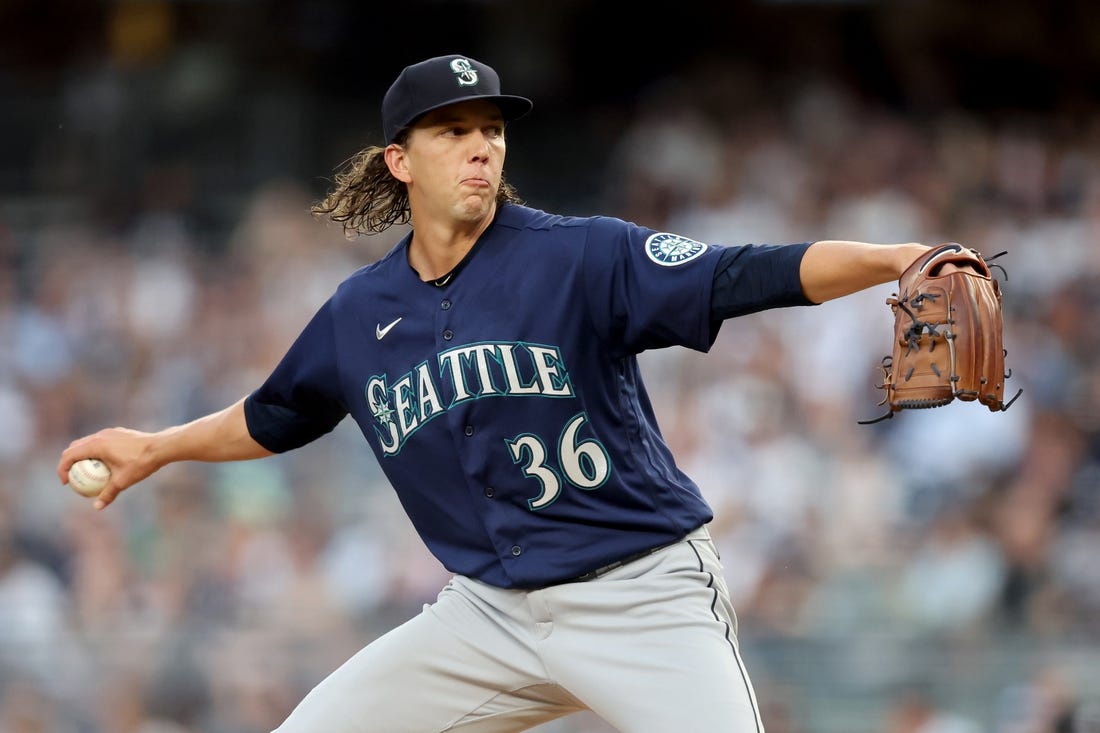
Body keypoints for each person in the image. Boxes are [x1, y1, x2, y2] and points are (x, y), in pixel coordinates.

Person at [59, 53, 934, 732]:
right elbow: (274, 416)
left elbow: (746, 272)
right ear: (399, 160)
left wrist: (894, 259)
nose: (483, 146)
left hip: (638, 595)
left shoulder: (579, 255)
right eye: (453, 132)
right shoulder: (360, 311)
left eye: (493, 129)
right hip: (487, 615)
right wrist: (156, 446)